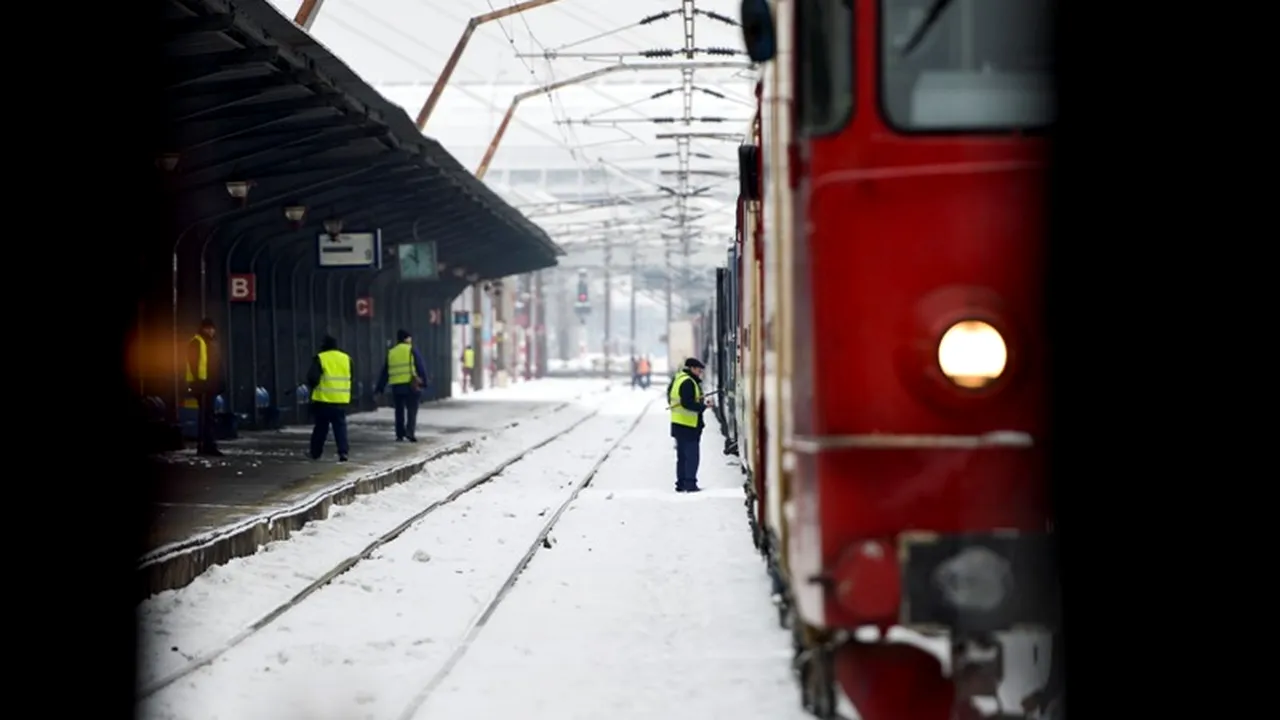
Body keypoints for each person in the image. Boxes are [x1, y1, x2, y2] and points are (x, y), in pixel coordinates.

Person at [668, 357, 713, 492]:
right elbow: (687, 403)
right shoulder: (688, 382)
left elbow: (673, 398)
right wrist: (703, 406)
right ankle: (690, 484)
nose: (700, 373)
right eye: (699, 370)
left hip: (678, 423)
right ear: (692, 368)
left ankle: (681, 483)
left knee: (682, 457)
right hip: (688, 425)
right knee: (691, 457)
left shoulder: (678, 379)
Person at [376, 329, 429, 442]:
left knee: (399, 411)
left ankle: (399, 434)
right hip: (411, 385)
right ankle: (410, 432)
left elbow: (385, 371)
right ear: (406, 338)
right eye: (409, 337)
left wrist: (380, 387)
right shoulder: (411, 350)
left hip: (397, 385)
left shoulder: (392, 352)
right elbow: (420, 366)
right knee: (412, 409)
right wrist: (424, 381)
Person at [306, 335, 352, 461]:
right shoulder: (346, 358)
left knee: (321, 428)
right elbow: (351, 375)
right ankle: (343, 452)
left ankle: (315, 452)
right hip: (341, 399)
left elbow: (312, 377)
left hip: (323, 400)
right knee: (340, 427)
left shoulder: (321, 358)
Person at [186, 318, 223, 457]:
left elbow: (218, 366)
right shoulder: (197, 342)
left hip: (210, 385)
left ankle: (208, 444)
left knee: (209, 416)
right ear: (202, 329)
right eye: (208, 328)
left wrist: (220, 382)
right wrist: (198, 383)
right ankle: (204, 445)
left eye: (212, 328)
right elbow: (193, 364)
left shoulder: (212, 344)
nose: (210, 331)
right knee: (205, 416)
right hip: (202, 385)